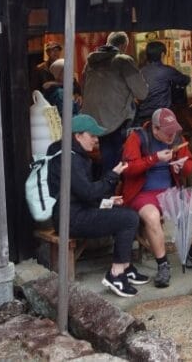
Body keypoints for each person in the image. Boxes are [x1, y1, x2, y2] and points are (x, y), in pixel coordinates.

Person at [46, 114, 148, 298]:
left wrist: (106, 202)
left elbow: (80, 193)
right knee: (128, 219)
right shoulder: (71, 159)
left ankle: (125, 266)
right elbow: (88, 193)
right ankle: (116, 274)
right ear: (78, 135)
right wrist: (112, 175)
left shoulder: (67, 152)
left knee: (127, 213)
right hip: (71, 219)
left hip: (74, 210)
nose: (96, 139)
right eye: (92, 135)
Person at [121, 108, 192, 288]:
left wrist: (181, 167)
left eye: (174, 130)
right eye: (167, 132)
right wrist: (153, 158)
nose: (171, 135)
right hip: (142, 193)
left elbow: (190, 164)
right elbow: (127, 168)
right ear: (155, 129)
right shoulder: (137, 138)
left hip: (170, 191)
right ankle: (163, 264)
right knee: (151, 216)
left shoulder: (176, 139)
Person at [81, 31, 149, 174]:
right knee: (120, 161)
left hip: (93, 119)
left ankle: (106, 190)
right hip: (117, 119)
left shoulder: (90, 63)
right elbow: (142, 93)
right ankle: (115, 191)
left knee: (105, 159)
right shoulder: (123, 61)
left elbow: (83, 87)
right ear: (124, 45)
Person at [134, 41, 190, 126]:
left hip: (143, 117)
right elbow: (185, 80)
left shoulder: (140, 72)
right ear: (162, 55)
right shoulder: (167, 71)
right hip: (162, 117)